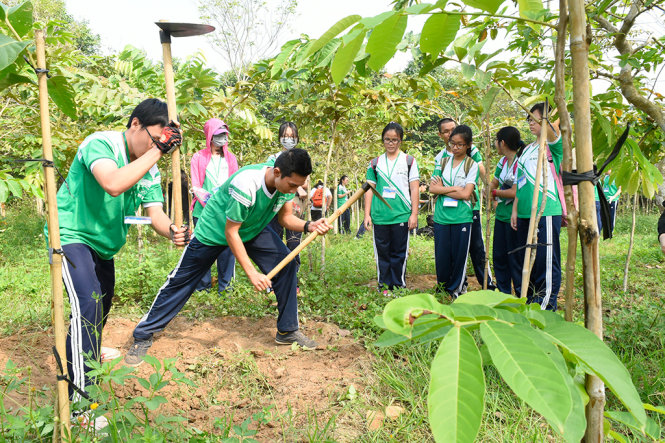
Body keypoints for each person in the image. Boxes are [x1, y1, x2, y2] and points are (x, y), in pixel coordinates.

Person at [46, 98, 188, 423]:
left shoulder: (148, 166)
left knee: (99, 309)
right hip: (70, 234)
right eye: (154, 139)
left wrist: (173, 231)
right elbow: (112, 183)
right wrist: (159, 151)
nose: (157, 147)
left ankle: (88, 354)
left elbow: (156, 216)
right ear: (135, 124)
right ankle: (81, 405)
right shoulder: (102, 144)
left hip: (103, 245)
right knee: (88, 306)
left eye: (162, 142)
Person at [125, 149, 331, 365]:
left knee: (286, 265)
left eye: (299, 185)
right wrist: (252, 273)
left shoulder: (287, 186)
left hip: (252, 228)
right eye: (292, 185)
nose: (295, 190)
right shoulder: (247, 184)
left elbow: (286, 218)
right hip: (214, 231)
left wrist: (309, 225)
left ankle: (288, 330)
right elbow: (231, 232)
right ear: (277, 172)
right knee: (181, 282)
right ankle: (143, 335)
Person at [510, 102, 562, 310]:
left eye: (535, 119)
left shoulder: (552, 146)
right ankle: (530, 304)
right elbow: (519, 183)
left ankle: (546, 307)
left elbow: (555, 131)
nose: (531, 123)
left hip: (545, 211)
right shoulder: (527, 150)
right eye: (529, 119)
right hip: (524, 214)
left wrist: (550, 117)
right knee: (527, 261)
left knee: (544, 261)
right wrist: (515, 209)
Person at [434, 118, 495, 290]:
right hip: (446, 211)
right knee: (450, 250)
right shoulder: (441, 157)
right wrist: (453, 189)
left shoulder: (471, 152)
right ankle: (458, 285)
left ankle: (487, 284)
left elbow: (480, 170)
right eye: (446, 131)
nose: (450, 133)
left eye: (453, 129)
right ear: (441, 135)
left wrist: (488, 191)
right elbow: (434, 186)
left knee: (476, 248)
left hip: (469, 208)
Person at [364, 122, 419, 294]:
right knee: (382, 253)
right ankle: (384, 286)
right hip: (380, 216)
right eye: (387, 139)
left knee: (399, 253)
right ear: (382, 140)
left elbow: (414, 188)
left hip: (401, 215)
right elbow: (369, 190)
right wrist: (367, 214)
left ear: (400, 141)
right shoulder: (375, 163)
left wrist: (414, 214)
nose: (390, 143)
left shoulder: (409, 161)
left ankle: (398, 285)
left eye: (394, 140)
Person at [190, 118, 239, 294]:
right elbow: (196, 185)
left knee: (227, 247)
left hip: (225, 211)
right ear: (209, 136)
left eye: (224, 135)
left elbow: (235, 182)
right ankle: (202, 287)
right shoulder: (198, 157)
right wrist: (208, 200)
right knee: (203, 248)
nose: (222, 138)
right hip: (203, 210)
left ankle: (226, 287)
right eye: (218, 135)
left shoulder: (231, 158)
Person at [430, 125, 479, 298]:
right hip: (442, 216)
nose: (455, 148)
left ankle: (456, 289)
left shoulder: (471, 165)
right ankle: (442, 287)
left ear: (468, 145)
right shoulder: (442, 162)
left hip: (462, 217)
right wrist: (454, 189)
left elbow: (467, 194)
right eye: (453, 144)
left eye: (460, 144)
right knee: (442, 255)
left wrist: (444, 188)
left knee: (459, 256)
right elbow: (432, 188)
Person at [267, 122, 308, 294]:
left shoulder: (301, 158)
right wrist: (297, 186)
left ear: (297, 138)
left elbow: (305, 183)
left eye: (292, 136)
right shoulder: (273, 158)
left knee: (293, 243)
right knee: (274, 242)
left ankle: (292, 281)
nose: (288, 139)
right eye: (286, 136)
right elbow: (270, 179)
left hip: (295, 205)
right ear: (280, 137)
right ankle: (273, 281)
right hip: (275, 207)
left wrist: (299, 187)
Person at [489, 126, 523, 295]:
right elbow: (492, 184)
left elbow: (515, 191)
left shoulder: (520, 161)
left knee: (514, 257)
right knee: (499, 257)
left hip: (515, 217)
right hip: (501, 216)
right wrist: (494, 198)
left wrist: (495, 194)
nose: (495, 145)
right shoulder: (502, 162)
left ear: (502, 143)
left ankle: (519, 292)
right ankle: (503, 292)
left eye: (496, 141)